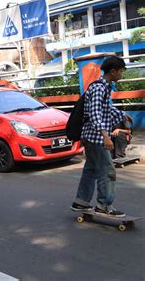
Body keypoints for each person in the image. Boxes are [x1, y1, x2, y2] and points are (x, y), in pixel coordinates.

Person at [71, 56, 132, 217]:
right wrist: (105, 136)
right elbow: (94, 113)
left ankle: (81, 202)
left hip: (91, 136)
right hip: (95, 137)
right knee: (107, 170)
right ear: (113, 71)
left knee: (91, 169)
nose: (122, 74)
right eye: (121, 71)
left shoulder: (103, 87)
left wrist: (122, 115)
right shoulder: (99, 88)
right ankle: (104, 205)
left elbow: (105, 109)